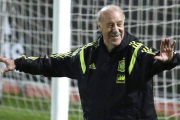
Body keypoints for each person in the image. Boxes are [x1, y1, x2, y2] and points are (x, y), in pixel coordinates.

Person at [0, 5, 179, 120]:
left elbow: (157, 61)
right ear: (99, 27)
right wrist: (18, 63)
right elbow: (51, 63)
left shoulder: (137, 51)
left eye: (119, 24)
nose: (116, 30)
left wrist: (168, 61)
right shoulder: (86, 54)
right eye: (110, 25)